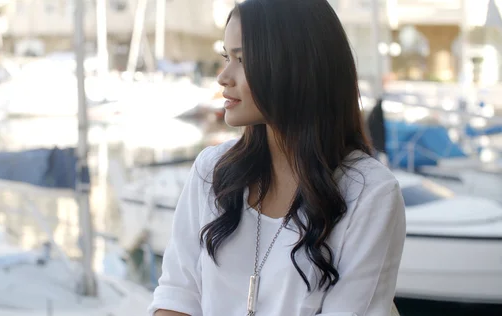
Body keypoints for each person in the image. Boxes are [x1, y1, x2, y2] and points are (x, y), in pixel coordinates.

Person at [148, 0, 406, 315]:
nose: (223, 77)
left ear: (296, 66)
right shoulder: (211, 170)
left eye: (242, 59)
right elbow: (177, 295)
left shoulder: (369, 193)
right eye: (226, 57)